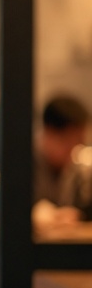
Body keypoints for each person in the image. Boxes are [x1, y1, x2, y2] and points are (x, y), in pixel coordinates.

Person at [33, 93, 90, 225]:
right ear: (48, 132)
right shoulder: (22, 163)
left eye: (79, 143)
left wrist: (78, 216)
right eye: (69, 142)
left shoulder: (78, 170)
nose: (74, 150)